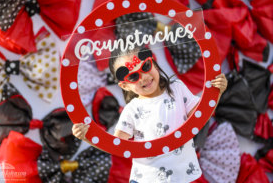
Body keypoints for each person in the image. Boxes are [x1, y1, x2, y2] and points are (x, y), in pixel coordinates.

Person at [72, 47, 227, 183]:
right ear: (125, 86)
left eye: (145, 66)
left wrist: (216, 93)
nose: (143, 77)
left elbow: (200, 117)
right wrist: (87, 136)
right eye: (133, 76)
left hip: (182, 176)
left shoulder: (177, 88)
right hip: (147, 179)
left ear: (152, 61)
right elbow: (116, 144)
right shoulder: (132, 109)